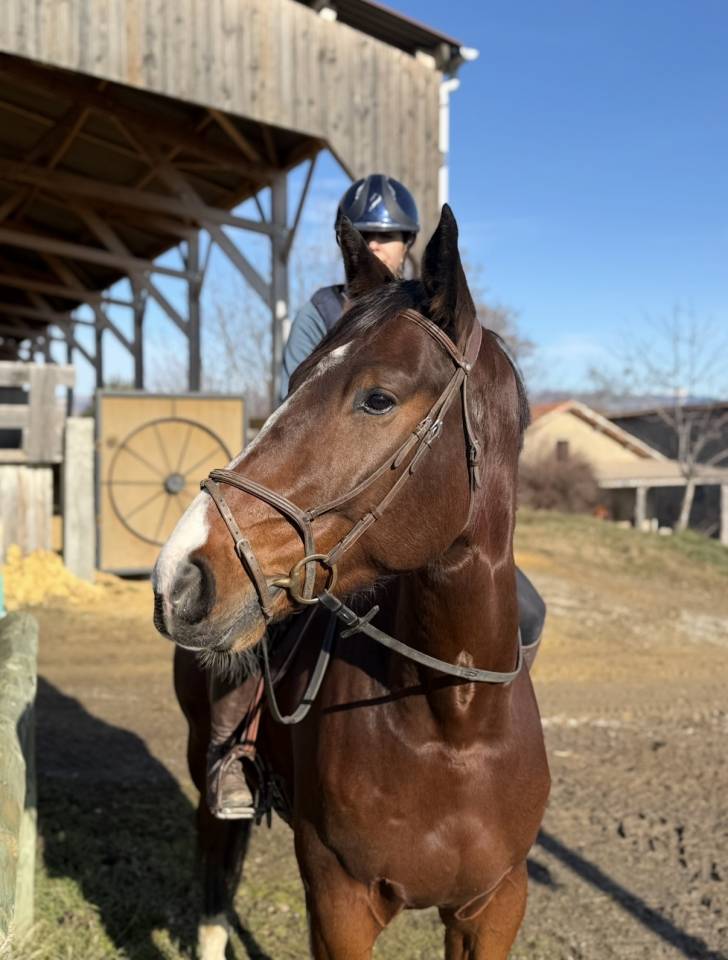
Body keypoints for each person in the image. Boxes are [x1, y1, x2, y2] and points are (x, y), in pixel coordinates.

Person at [206, 174, 546, 820]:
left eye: (390, 236)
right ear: (349, 244)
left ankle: (495, 735)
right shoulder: (325, 311)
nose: (380, 247)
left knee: (526, 610)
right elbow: (301, 411)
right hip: (335, 505)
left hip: (414, 509)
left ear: (410, 243)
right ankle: (239, 749)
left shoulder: (426, 313)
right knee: (261, 614)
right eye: (367, 237)